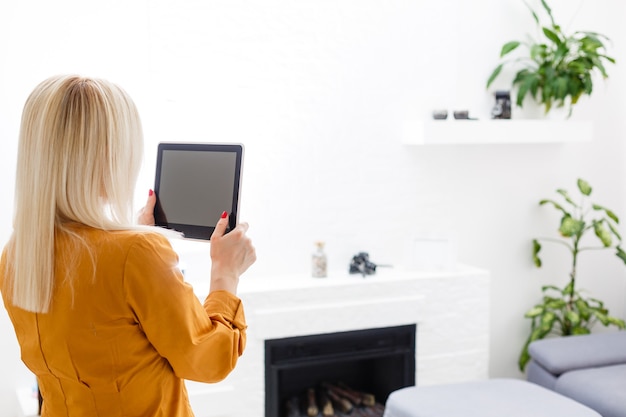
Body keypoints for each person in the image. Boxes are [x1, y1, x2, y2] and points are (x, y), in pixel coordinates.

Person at [0, 75, 256, 416]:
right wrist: (226, 274)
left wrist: (134, 237)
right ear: (107, 154)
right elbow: (208, 362)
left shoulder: (17, 254)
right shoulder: (136, 253)